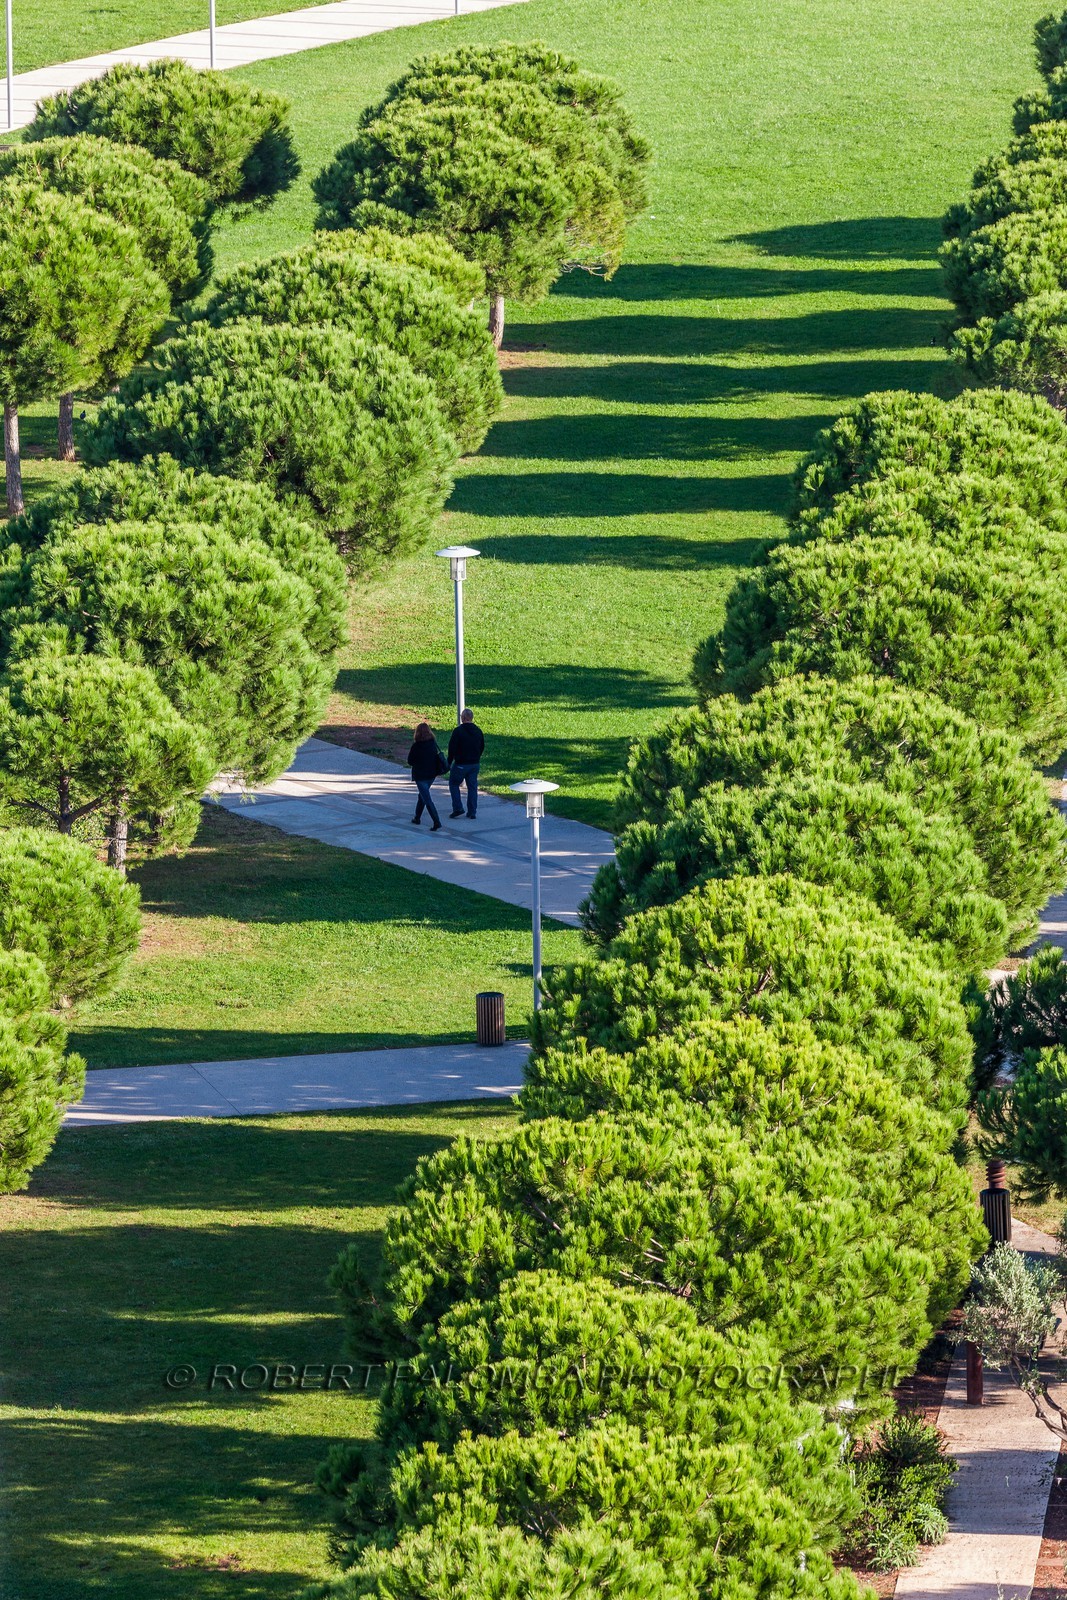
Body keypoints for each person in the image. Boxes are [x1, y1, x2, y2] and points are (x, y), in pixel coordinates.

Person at [406, 721, 445, 830]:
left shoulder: (416, 746)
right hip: (432, 775)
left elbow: (410, 761)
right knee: (422, 796)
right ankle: (417, 817)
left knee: (427, 798)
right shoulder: (433, 744)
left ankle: (436, 822)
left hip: (420, 776)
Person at [448, 707, 485, 819]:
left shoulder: (458, 731)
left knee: (454, 784)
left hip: (461, 764)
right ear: (471, 718)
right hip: (474, 764)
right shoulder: (478, 731)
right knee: (472, 787)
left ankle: (458, 807)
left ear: (463, 718)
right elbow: (482, 746)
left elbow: (452, 748)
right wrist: (476, 757)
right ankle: (472, 811)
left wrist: (449, 762)